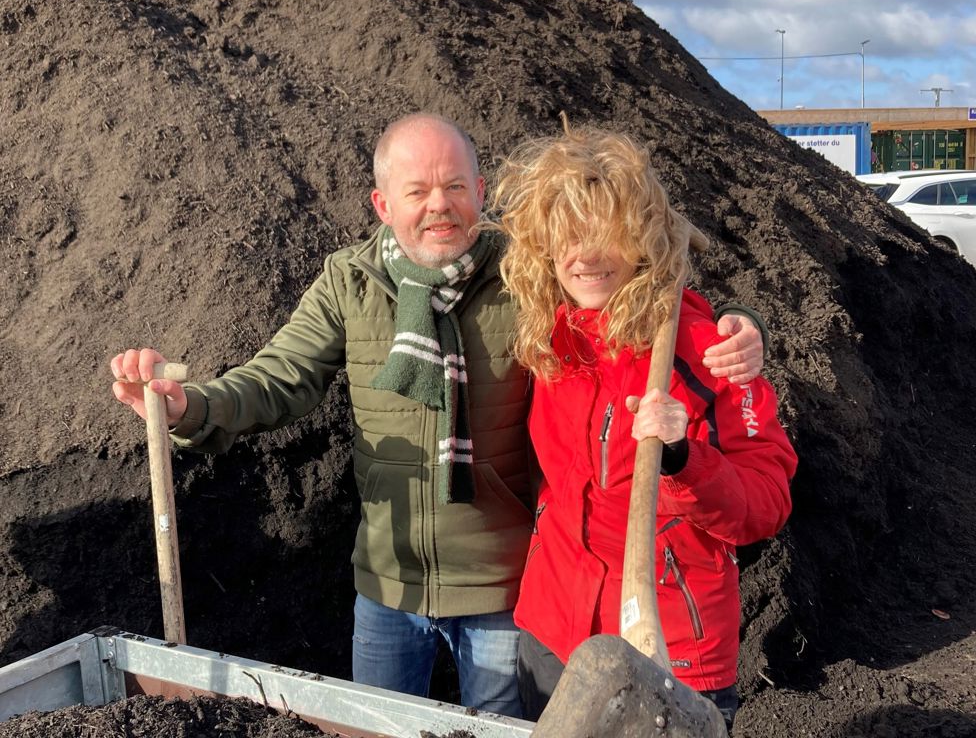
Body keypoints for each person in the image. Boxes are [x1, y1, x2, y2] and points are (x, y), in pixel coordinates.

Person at [111, 112, 767, 718]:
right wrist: (188, 405)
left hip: (502, 593)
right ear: (383, 203)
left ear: (480, 191)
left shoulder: (523, 281)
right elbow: (279, 379)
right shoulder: (351, 281)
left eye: (454, 186)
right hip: (389, 585)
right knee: (375, 728)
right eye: (418, 190)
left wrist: (737, 331)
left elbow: (626, 296)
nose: (439, 205)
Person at [488, 123, 797, 730]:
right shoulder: (545, 340)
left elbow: (767, 504)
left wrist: (684, 458)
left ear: (642, 238)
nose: (585, 256)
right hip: (553, 635)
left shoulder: (712, 353)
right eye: (567, 236)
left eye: (606, 234)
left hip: (671, 645)